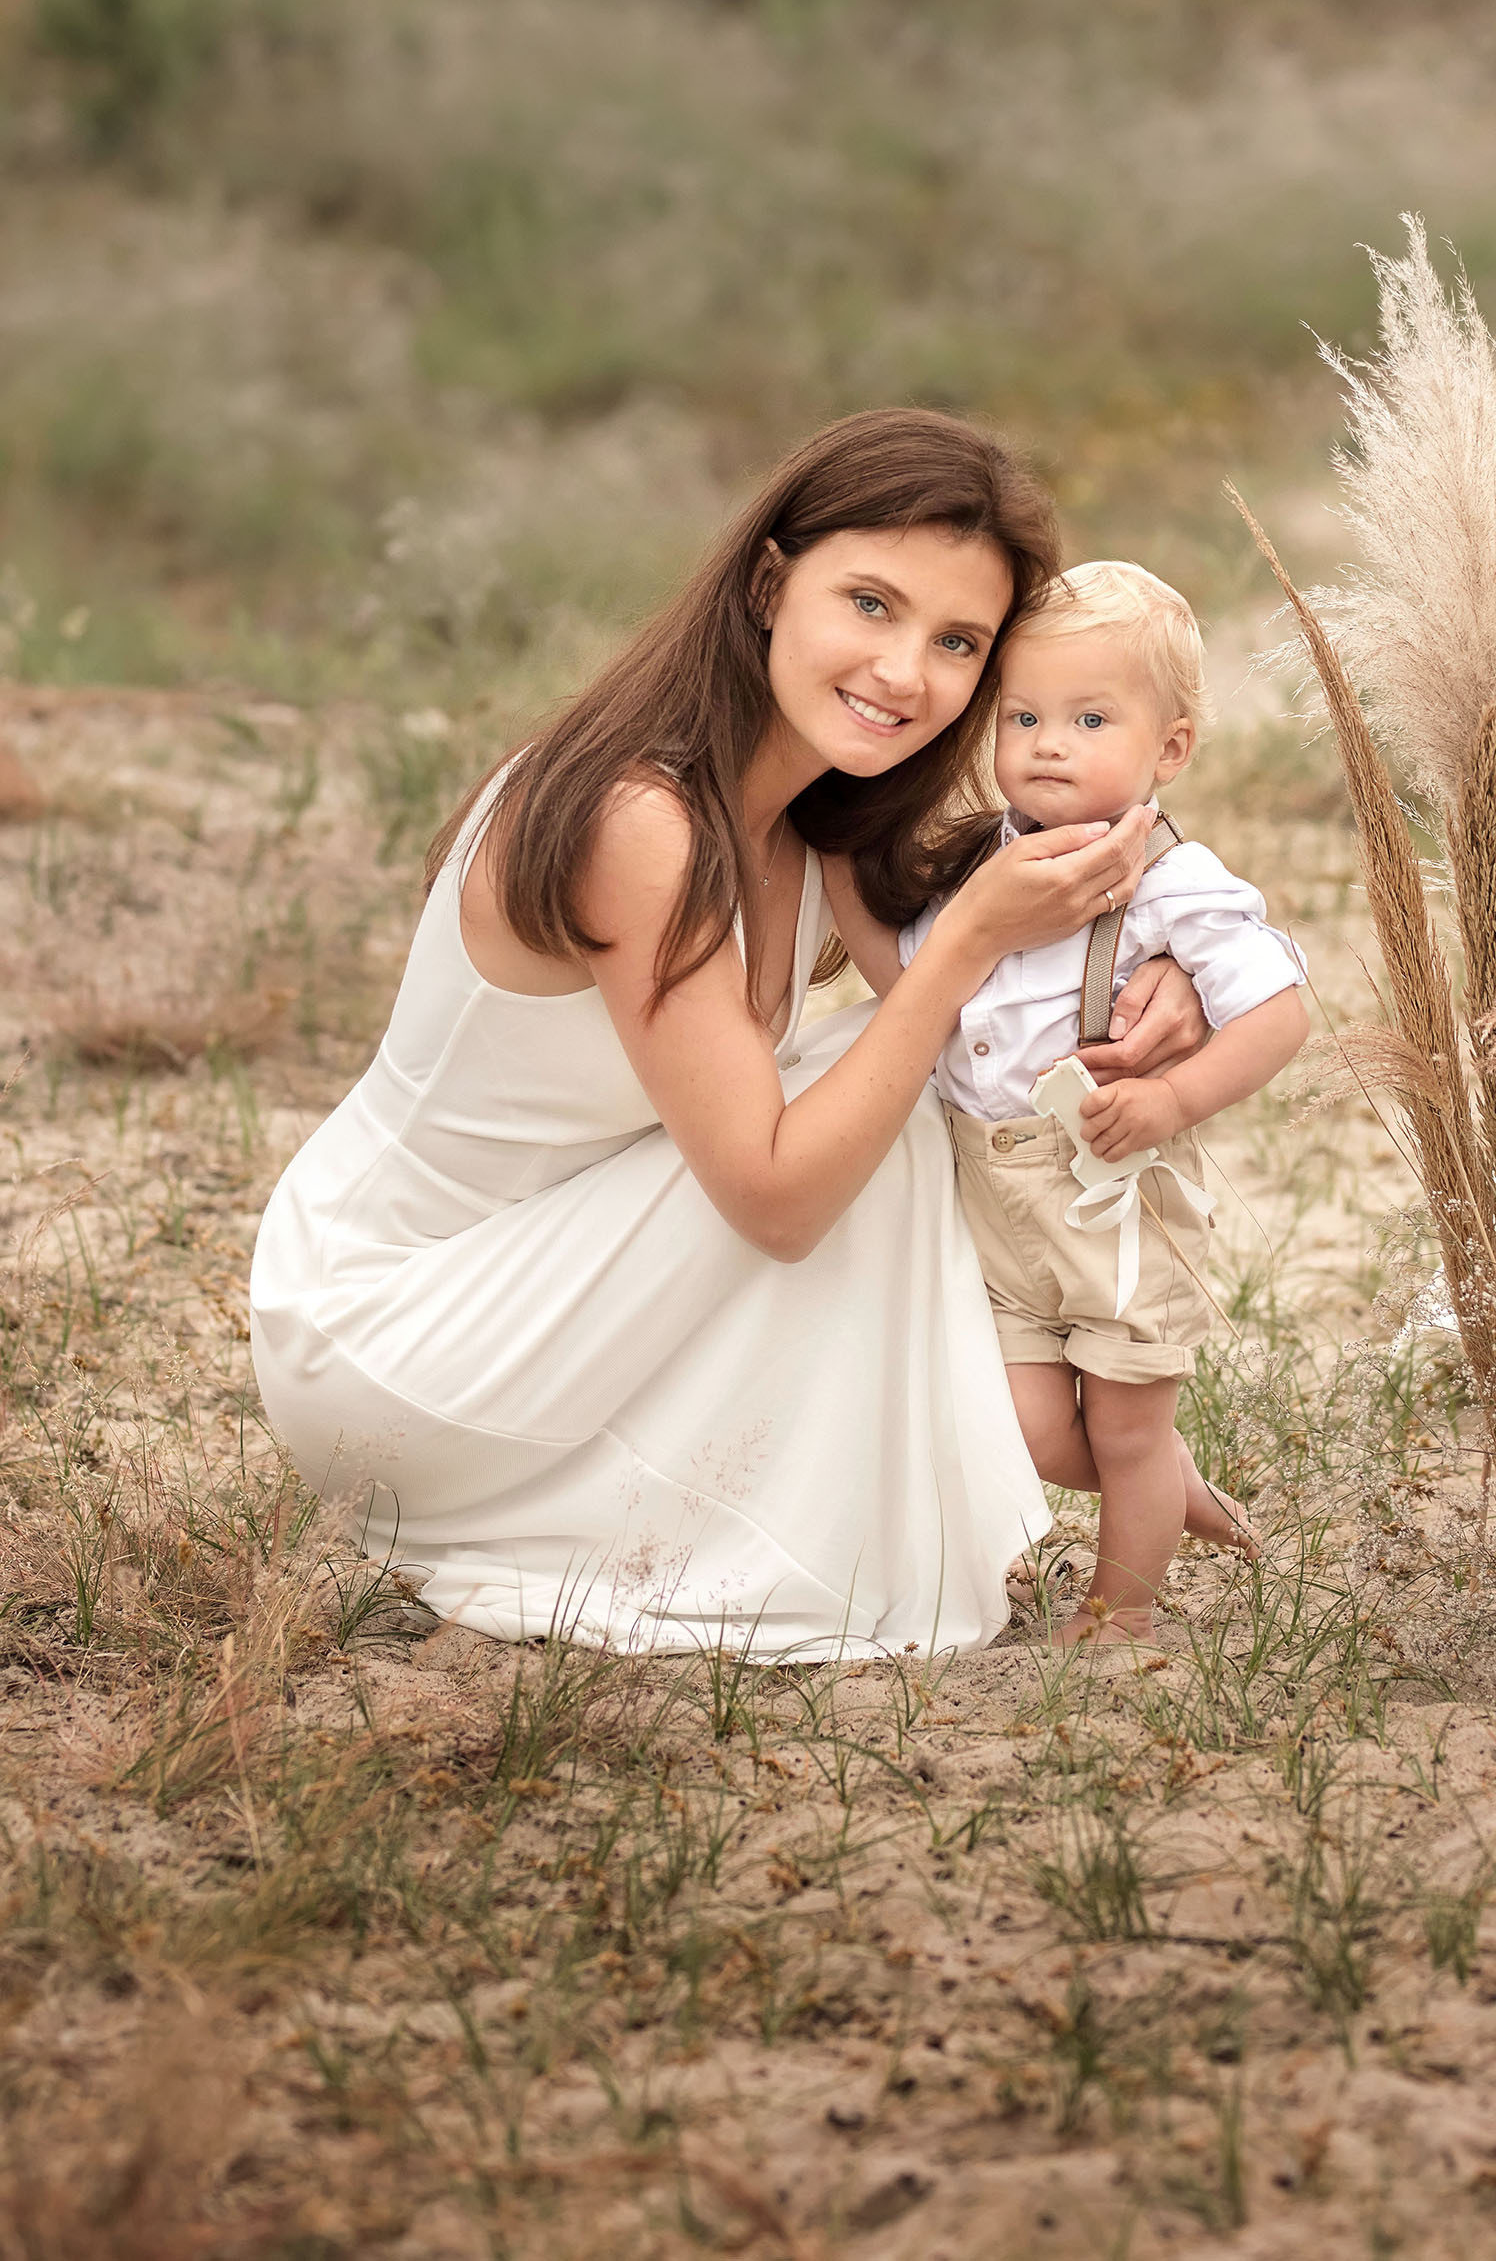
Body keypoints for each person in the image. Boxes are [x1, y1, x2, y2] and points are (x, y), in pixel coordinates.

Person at [249, 413, 1209, 1659]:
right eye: (868, 603)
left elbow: (996, 1046)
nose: (905, 673)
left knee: (904, 1073)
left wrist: (1163, 972)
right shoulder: (632, 817)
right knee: (867, 1093)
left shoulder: (812, 819)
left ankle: (987, 1445)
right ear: (767, 582)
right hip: (395, 1337)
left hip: (550, 1277)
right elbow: (774, 1200)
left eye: (956, 641)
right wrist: (967, 939)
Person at [849, 563, 1310, 1644]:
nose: (1047, 743)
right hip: (995, 1196)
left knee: (1125, 1421)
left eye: (1088, 718)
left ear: (1169, 749)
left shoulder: (1170, 881)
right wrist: (831, 868)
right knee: (1025, 1423)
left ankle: (1124, 1608)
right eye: (1023, 717)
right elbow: (913, 983)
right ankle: (1174, 1494)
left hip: (1111, 1195)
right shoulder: (981, 863)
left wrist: (1173, 1099)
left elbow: (1279, 1012)